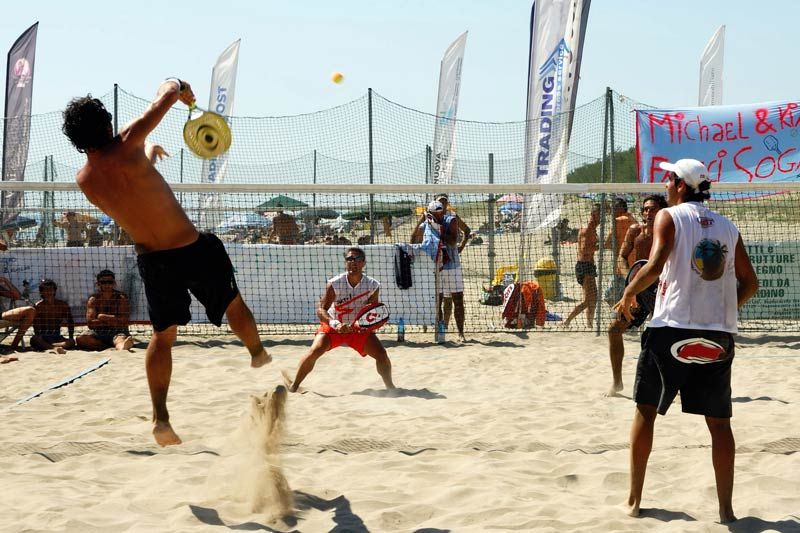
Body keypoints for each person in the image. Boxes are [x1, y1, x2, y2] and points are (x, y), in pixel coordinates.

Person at [63, 78, 270, 447]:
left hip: (153, 261)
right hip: (191, 247)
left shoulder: (85, 180)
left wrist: (148, 157)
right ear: (106, 124)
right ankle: (256, 354)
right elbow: (167, 95)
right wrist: (180, 86)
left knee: (163, 337)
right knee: (233, 303)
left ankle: (160, 418)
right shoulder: (127, 142)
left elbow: (131, 190)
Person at [614, 159, 758, 522]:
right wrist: (724, 310)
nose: (664, 183)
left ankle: (633, 502)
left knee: (646, 412)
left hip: (671, 328)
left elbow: (656, 262)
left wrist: (628, 294)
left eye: (668, 178)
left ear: (680, 185)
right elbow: (750, 282)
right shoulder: (727, 226)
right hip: (717, 333)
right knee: (720, 423)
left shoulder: (669, 216)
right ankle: (726, 510)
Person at [285, 247, 395, 392]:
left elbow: (372, 312)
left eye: (356, 259)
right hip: (334, 326)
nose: (352, 262)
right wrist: (335, 324)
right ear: (345, 263)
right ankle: (294, 386)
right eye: (349, 259)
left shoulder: (373, 285)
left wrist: (367, 326)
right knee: (314, 351)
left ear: (364, 263)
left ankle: (391, 388)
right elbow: (321, 310)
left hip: (357, 328)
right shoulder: (335, 283)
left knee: (381, 355)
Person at [605, 195, 667, 396]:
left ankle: (672, 388)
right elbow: (621, 257)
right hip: (639, 289)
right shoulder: (635, 230)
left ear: (662, 211)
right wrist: (630, 281)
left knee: (664, 338)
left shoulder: (669, 231)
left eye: (653, 209)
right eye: (646, 209)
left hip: (663, 289)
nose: (648, 213)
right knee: (614, 329)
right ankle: (617, 383)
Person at [411, 195, 470, 342]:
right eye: (439, 203)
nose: (441, 206)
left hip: (452, 266)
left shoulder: (451, 218)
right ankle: (440, 331)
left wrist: (459, 246)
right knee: (438, 300)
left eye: (444, 202)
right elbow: (413, 240)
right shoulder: (428, 221)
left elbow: (454, 239)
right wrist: (424, 219)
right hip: (436, 266)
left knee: (456, 300)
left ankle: (460, 332)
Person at [76, 270, 133, 352]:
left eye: (109, 282)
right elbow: (90, 323)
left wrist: (102, 317)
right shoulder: (93, 299)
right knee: (80, 339)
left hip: (117, 332)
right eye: (104, 282)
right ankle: (108, 347)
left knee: (120, 340)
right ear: (98, 284)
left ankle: (120, 346)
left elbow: (124, 321)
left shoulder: (121, 298)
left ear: (114, 283)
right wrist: (111, 320)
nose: (107, 285)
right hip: (99, 332)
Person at [564, 204, 600, 328]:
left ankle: (589, 324)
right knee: (588, 300)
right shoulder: (587, 230)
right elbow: (585, 250)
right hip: (584, 266)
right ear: (593, 215)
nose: (601, 219)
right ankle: (567, 321)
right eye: (599, 215)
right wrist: (600, 246)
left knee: (594, 299)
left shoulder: (592, 230)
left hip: (588, 266)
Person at [603, 197, 638, 306]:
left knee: (609, 296)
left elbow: (607, 243)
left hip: (622, 266)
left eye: (614, 208)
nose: (611, 211)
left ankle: (619, 317)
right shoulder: (633, 219)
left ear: (620, 208)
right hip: (633, 266)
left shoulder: (618, 221)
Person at [30, 279, 75, 354]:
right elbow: (36, 327)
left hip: (57, 337)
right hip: (43, 337)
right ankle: (54, 348)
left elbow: (70, 322)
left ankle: (51, 346)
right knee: (35, 339)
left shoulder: (62, 305)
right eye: (46, 290)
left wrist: (71, 336)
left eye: (51, 289)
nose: (49, 292)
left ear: (54, 291)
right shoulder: (38, 306)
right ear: (41, 292)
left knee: (72, 341)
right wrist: (40, 338)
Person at [0, 276, 35, 353]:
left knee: (30, 311)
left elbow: (17, 296)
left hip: (1, 315)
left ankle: (14, 346)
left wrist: (5, 281)